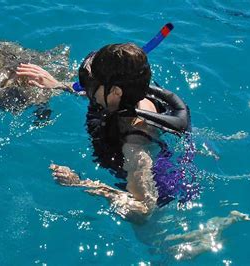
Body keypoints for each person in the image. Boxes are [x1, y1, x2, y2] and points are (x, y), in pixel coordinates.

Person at [16, 43, 190, 223]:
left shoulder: (135, 142)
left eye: (92, 87)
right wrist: (58, 85)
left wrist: (81, 183)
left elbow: (143, 210)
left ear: (115, 92)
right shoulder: (131, 98)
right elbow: (100, 94)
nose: (88, 92)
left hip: (163, 213)